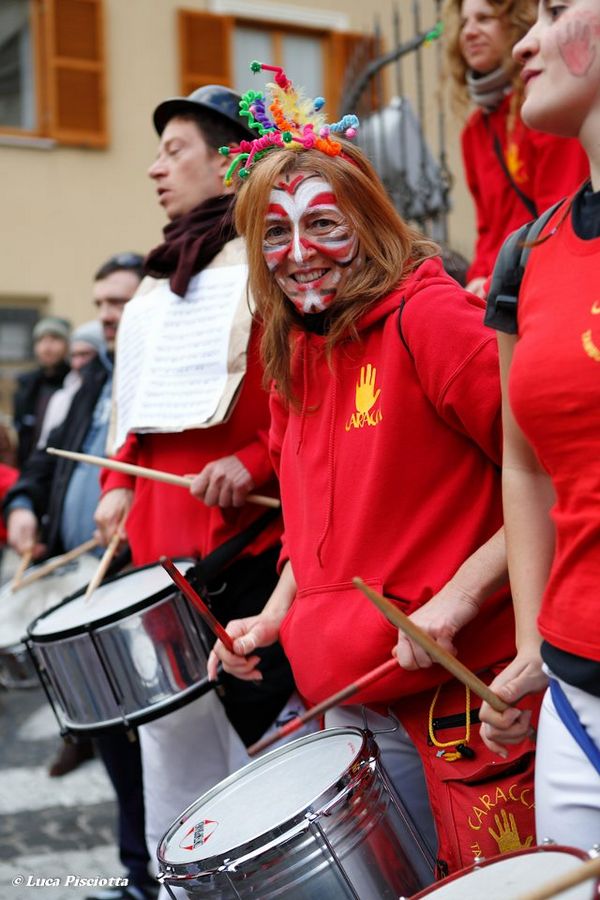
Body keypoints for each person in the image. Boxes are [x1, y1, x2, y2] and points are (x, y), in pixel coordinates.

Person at [208, 62, 540, 878]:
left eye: (323, 224)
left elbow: (557, 478)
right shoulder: (290, 347)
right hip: (348, 706)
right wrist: (277, 615)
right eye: (274, 235)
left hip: (459, 706)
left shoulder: (428, 318)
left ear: (370, 219)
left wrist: (455, 603)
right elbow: (316, 526)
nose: (299, 254)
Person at [93, 86, 301, 888]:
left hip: (247, 549)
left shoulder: (270, 258)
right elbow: (133, 403)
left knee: (262, 755)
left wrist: (251, 463)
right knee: (171, 755)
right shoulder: (155, 277)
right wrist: (116, 480)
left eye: (174, 150)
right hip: (156, 553)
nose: (154, 169)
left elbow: (302, 400)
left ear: (228, 162)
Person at [479, 0, 600, 850]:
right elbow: (524, 466)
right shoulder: (527, 254)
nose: (526, 40)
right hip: (577, 698)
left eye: (557, 8)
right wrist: (529, 642)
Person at [4, 253, 158, 900]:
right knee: (112, 738)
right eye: (99, 305)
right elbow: (45, 461)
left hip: (133, 582)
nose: (105, 317)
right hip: (76, 583)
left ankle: (170, 872)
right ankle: (137, 876)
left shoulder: (160, 371)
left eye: (118, 303)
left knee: (154, 741)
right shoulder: (92, 377)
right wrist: (20, 508)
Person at [442, 0, 589, 296]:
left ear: (514, 26)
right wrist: (478, 283)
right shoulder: (474, 130)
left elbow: (558, 211)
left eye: (484, 18)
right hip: (502, 284)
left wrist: (495, 279)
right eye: (464, 22)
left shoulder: (542, 110)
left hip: (540, 277)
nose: (469, 32)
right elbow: (487, 230)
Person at [36, 319, 105, 449]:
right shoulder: (62, 396)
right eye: (74, 356)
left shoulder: (107, 396)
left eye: (85, 355)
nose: (77, 364)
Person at [13, 315, 71, 466]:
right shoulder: (26, 386)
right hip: (29, 466)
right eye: (41, 340)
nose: (47, 346)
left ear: (67, 345)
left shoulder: (74, 383)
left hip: (60, 465)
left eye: (55, 339)